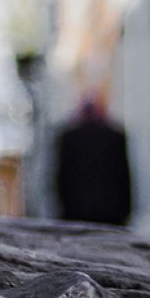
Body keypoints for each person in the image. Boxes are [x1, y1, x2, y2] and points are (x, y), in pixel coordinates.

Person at [54, 95, 132, 225]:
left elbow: (62, 176)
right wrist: (126, 211)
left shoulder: (69, 138)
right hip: (111, 213)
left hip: (76, 211)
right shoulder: (115, 137)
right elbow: (124, 176)